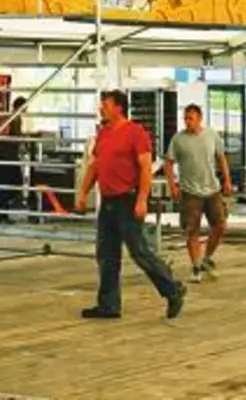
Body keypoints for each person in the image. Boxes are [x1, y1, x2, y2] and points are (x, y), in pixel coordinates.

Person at [74, 90, 185, 320]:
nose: (100, 108)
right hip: (108, 202)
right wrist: (83, 192)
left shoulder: (136, 133)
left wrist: (142, 199)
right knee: (106, 254)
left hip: (128, 198)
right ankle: (108, 304)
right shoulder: (103, 134)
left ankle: (172, 289)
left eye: (105, 104)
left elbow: (145, 167)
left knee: (140, 252)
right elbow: (96, 166)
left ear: (118, 107)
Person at [164, 103, 233, 283]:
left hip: (212, 189)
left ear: (200, 119)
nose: (188, 122)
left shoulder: (212, 136)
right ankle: (195, 266)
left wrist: (227, 180)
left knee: (220, 225)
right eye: (185, 119)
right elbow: (168, 162)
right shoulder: (178, 139)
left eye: (191, 118)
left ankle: (206, 258)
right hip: (190, 192)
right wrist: (172, 185)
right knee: (192, 230)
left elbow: (221, 158)